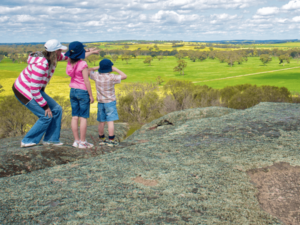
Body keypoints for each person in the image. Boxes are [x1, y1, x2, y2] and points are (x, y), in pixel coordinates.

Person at [13, 39, 68, 147]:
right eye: (59, 50)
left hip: (35, 90)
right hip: (24, 91)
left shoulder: (52, 56)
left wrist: (87, 51)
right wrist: (45, 106)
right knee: (46, 116)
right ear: (55, 51)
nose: (61, 52)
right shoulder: (41, 65)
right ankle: (27, 141)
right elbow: (34, 90)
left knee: (57, 109)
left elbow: (67, 56)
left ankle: (51, 139)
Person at [65, 41, 99, 149]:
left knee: (75, 117)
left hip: (73, 91)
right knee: (83, 118)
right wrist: (91, 95)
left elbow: (79, 56)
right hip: (82, 92)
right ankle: (83, 142)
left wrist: (91, 52)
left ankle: (76, 141)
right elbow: (86, 81)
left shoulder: (70, 61)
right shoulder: (83, 64)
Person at [88, 59, 127, 147]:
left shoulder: (96, 76)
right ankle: (111, 140)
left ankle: (101, 139)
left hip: (100, 102)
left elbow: (88, 71)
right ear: (110, 68)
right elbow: (124, 76)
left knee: (101, 121)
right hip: (110, 102)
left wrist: (99, 67)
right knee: (110, 121)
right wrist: (116, 69)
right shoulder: (111, 77)